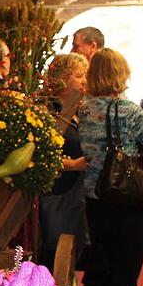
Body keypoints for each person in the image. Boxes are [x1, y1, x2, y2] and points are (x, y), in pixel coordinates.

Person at [78, 48, 143, 286]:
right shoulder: (129, 110)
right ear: (120, 74)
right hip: (129, 199)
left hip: (96, 198)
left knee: (101, 268)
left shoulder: (85, 109)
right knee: (124, 277)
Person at [38, 53, 90, 271]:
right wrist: (74, 164)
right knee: (55, 253)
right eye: (78, 76)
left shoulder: (79, 109)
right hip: (58, 192)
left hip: (77, 191)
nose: (84, 81)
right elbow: (42, 155)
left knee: (72, 253)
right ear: (61, 78)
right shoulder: (46, 109)